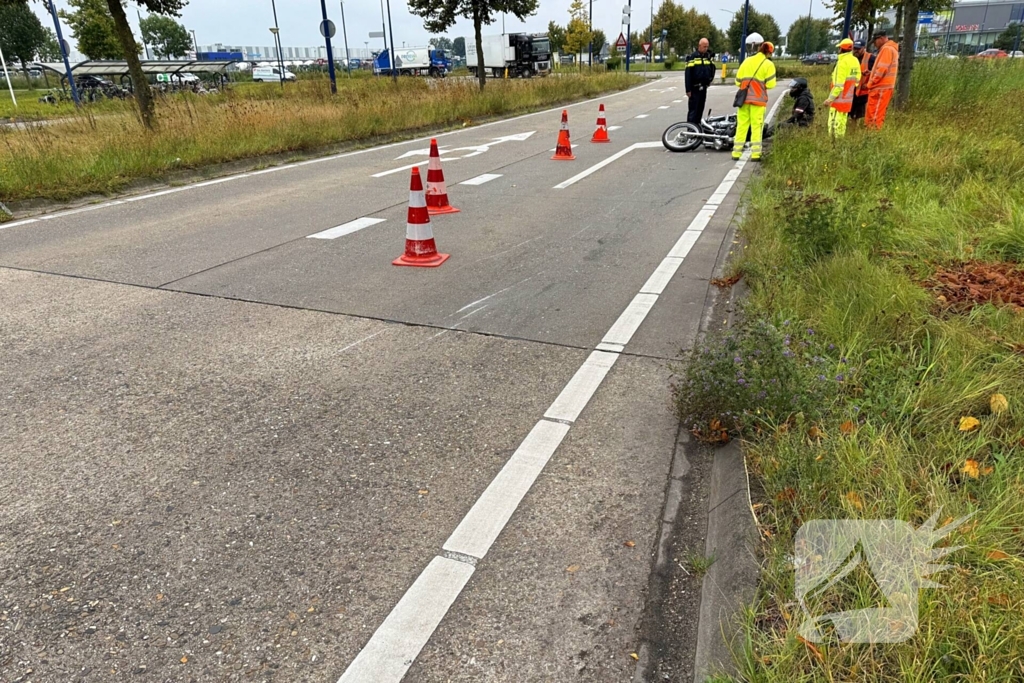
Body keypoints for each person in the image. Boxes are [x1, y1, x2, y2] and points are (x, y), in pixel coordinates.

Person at [732, 38, 777, 161]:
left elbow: (737, 82)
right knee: (757, 127)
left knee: (741, 126)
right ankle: (755, 154)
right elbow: (771, 84)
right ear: (769, 53)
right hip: (758, 101)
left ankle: (736, 153)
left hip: (744, 100)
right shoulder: (768, 64)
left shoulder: (746, 61)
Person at [823, 38, 862, 138]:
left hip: (838, 97)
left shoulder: (842, 62)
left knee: (834, 121)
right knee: (842, 121)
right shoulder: (855, 60)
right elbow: (857, 78)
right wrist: (851, 87)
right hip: (848, 97)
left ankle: (833, 141)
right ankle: (839, 140)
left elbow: (838, 85)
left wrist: (829, 99)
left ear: (841, 49)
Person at [865, 30, 899, 129]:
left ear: (881, 38)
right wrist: (871, 73)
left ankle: (872, 134)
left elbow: (882, 69)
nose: (875, 45)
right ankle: (871, 133)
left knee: (875, 114)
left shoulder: (886, 49)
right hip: (883, 87)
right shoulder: (890, 48)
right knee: (876, 112)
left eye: (875, 41)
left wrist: (870, 83)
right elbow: (884, 69)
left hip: (881, 88)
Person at [684, 38, 716, 125]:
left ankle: (698, 128)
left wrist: (710, 79)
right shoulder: (693, 57)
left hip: (704, 87)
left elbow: (712, 68)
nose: (706, 48)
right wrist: (688, 89)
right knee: (693, 110)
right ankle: (691, 130)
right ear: (699, 46)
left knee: (700, 108)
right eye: (704, 47)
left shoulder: (708, 57)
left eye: (707, 47)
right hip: (694, 88)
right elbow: (688, 74)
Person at [850, 40, 874, 120]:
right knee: (852, 115)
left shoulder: (871, 58)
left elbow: (877, 73)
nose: (856, 51)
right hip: (852, 91)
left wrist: (868, 84)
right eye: (855, 48)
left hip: (864, 93)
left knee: (861, 115)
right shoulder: (851, 59)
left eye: (858, 49)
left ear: (864, 48)